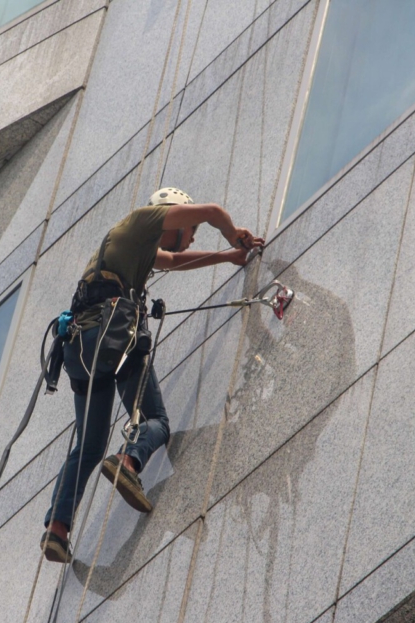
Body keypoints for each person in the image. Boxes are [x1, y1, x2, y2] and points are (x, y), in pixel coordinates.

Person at [40, 187, 266, 563]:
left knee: (89, 445)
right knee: (156, 420)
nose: (189, 238)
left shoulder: (131, 248)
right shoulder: (141, 221)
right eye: (189, 230)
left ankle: (57, 529)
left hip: (80, 348)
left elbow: (173, 261)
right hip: (113, 337)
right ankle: (129, 461)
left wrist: (227, 257)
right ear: (174, 217)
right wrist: (233, 233)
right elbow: (211, 211)